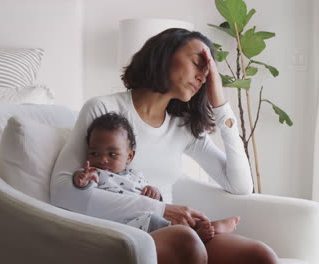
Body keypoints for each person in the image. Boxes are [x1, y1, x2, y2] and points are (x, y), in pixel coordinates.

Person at [51, 28, 278, 264]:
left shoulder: (183, 127)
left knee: (261, 257)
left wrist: (220, 106)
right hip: (123, 232)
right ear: (165, 54)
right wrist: (160, 209)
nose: (203, 76)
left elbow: (241, 186)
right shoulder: (104, 109)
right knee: (186, 242)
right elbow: (62, 193)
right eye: (198, 63)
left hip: (172, 230)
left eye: (208, 72)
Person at [73, 112, 241, 242]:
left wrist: (155, 192)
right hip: (126, 226)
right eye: (94, 153)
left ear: (129, 156)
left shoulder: (135, 175)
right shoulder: (96, 174)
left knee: (168, 218)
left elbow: (153, 198)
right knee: (157, 221)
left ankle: (201, 226)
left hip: (148, 217)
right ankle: (197, 232)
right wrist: (81, 181)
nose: (102, 159)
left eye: (112, 154)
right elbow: (83, 193)